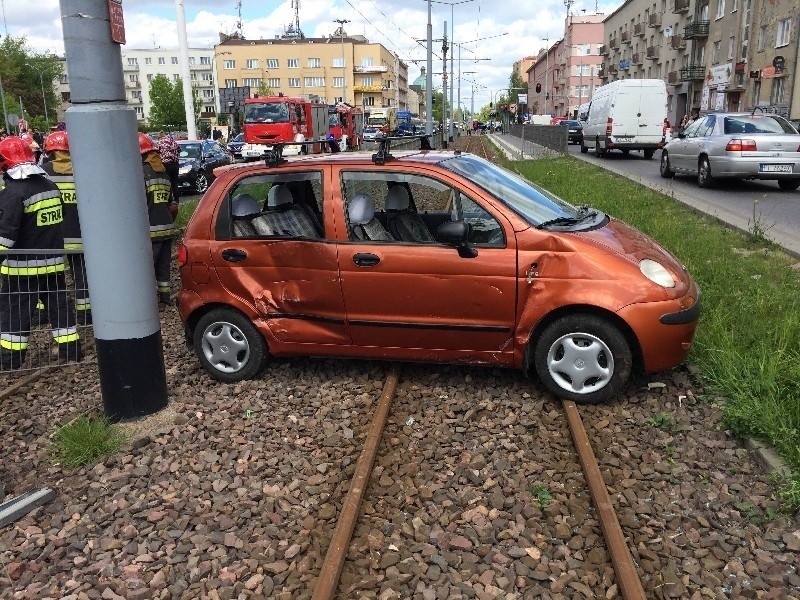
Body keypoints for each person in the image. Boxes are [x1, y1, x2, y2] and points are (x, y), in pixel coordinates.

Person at [0, 136, 82, 370]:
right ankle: (71, 352)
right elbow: (60, 218)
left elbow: (4, 239)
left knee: (15, 316)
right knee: (60, 311)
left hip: (22, 270)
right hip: (54, 265)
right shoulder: (50, 186)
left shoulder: (13, 193)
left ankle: (10, 362)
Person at [40, 130, 92, 325]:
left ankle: (50, 314)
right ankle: (85, 315)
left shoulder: (44, 172)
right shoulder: (84, 170)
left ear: (50, 150)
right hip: (80, 235)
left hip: (53, 237)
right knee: (82, 276)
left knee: (51, 278)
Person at [138, 132, 174, 306]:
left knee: (147, 268)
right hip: (167, 227)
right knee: (163, 265)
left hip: (151, 230)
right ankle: (165, 297)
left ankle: (148, 302)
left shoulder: (141, 174)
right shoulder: (163, 173)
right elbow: (171, 203)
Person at [156, 131, 180, 218]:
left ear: (159, 136)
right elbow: (179, 149)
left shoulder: (159, 142)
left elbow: (156, 153)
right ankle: (177, 201)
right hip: (175, 164)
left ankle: (169, 201)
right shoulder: (172, 141)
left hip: (166, 164)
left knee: (167, 182)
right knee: (174, 183)